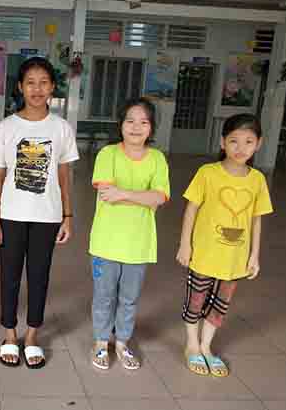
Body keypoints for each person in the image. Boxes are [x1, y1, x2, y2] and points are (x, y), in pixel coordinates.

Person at [0, 57, 79, 369]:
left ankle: (32, 335)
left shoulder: (61, 128)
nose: (37, 89)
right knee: (9, 276)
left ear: (52, 87)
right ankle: (10, 334)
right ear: (20, 87)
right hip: (11, 215)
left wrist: (68, 216)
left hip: (47, 216)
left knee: (39, 277)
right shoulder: (7, 127)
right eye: (30, 83)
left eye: (43, 83)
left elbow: (64, 176)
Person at [177, 113, 272, 377]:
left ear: (259, 144)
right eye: (234, 141)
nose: (241, 148)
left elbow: (256, 219)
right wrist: (185, 244)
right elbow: (191, 209)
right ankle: (191, 345)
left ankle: (206, 346)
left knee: (220, 304)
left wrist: (254, 255)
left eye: (248, 142)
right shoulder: (207, 173)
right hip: (204, 253)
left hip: (234, 258)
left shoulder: (257, 180)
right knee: (196, 300)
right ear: (222, 142)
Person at [89, 98, 170, 370]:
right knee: (104, 296)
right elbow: (106, 193)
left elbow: (159, 197)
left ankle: (122, 342)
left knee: (129, 298)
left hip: (139, 244)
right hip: (105, 242)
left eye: (144, 122)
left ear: (152, 127)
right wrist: (143, 197)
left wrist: (123, 193)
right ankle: (101, 342)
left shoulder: (157, 159)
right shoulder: (108, 154)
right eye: (130, 121)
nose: (136, 127)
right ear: (120, 124)